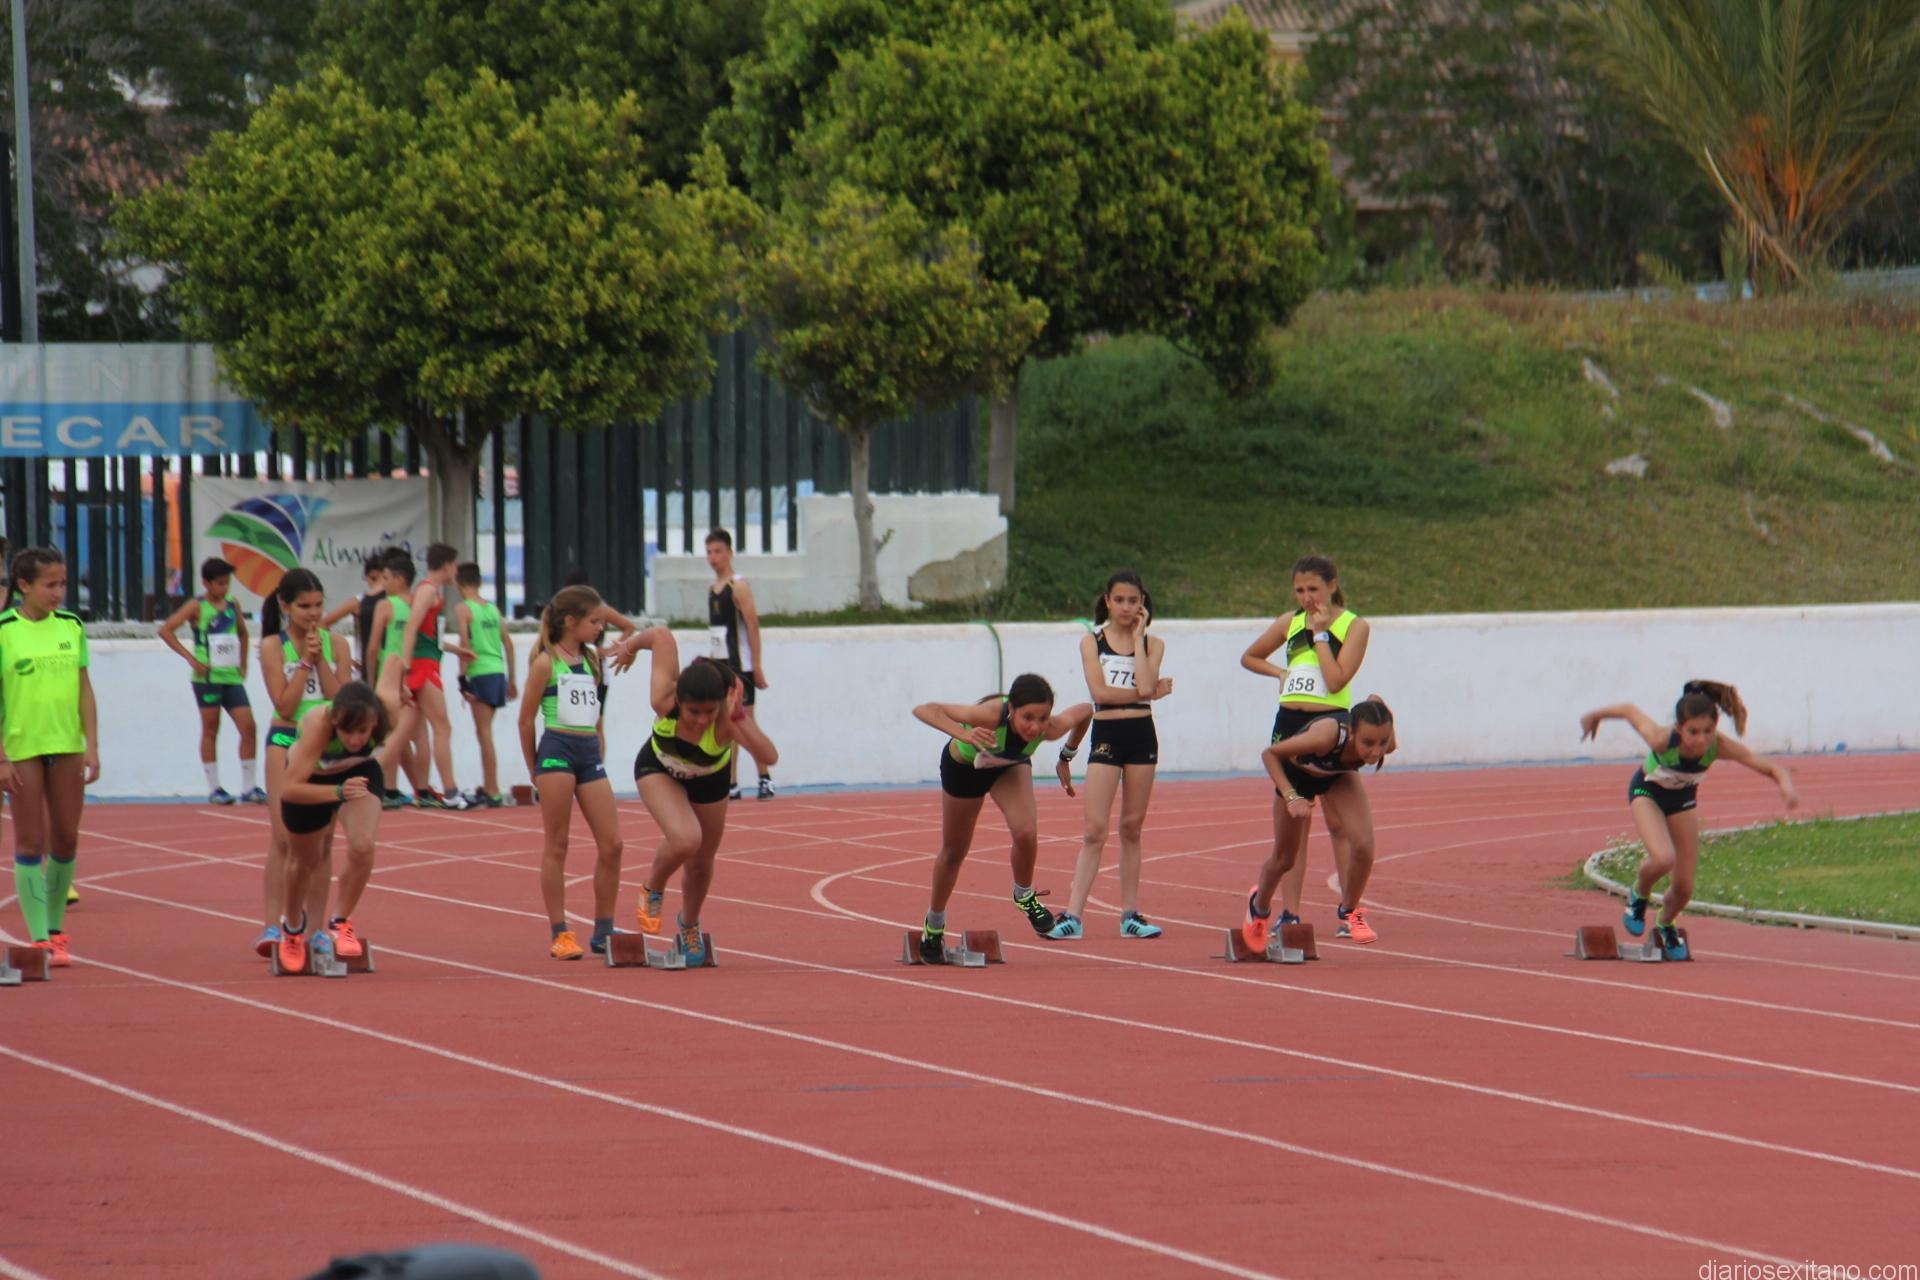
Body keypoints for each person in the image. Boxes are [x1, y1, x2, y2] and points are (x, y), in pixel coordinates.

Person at [1580, 680, 1798, 960]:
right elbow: (1629, 710)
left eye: (1708, 731)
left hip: (1682, 800)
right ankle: (1639, 893)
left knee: (1684, 889)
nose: (1701, 740)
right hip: (1648, 792)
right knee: (1663, 858)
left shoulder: (1719, 746)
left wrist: (1786, 785)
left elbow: (1769, 767)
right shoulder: (1662, 739)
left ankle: (1666, 923)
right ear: (1679, 728)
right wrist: (1594, 716)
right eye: (1693, 732)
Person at [615, 626, 779, 966]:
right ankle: (654, 886)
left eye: (710, 712)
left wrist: (738, 717)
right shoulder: (664, 698)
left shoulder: (727, 721)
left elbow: (769, 755)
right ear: (679, 701)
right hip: (660, 769)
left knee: (703, 860)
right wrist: (629, 647)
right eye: (693, 713)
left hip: (709, 779)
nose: (703, 721)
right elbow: (661, 636)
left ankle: (689, 924)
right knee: (686, 838)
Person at [909, 675, 1094, 961]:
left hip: (1008, 767)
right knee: (954, 851)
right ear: (1012, 711)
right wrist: (962, 733)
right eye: (1027, 718)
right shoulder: (991, 714)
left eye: (1042, 718)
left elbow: (1086, 711)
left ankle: (1024, 895)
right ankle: (934, 925)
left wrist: (1066, 756)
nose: (1035, 727)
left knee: (1026, 833)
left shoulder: (1051, 728)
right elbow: (925, 709)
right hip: (965, 770)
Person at [1239, 554, 1371, 937]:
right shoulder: (1290, 621)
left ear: (1332, 586)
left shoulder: (1354, 626)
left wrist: (1321, 635)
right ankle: (1288, 913)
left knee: (1349, 832)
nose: (1306, 597)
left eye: (1313, 589)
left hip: (1331, 730)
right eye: (1299, 590)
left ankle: (1350, 911)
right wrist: (1279, 672)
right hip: (1290, 729)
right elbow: (1249, 656)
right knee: (1290, 842)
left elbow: (1336, 679)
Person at [1048, 571, 1174, 940]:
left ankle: (1129, 915)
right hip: (1106, 736)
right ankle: (1073, 915)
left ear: (1142, 604)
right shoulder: (1092, 642)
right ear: (1107, 601)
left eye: (1133, 601)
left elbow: (1146, 683)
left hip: (1141, 736)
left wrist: (1138, 640)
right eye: (1119, 600)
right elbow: (1101, 693)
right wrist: (1148, 692)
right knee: (1094, 830)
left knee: (1131, 828)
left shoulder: (1153, 644)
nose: (1126, 607)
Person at [0, 547, 99, 967]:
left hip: (68, 744)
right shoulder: (5, 630)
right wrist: (1, 757)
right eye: (50, 585)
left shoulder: (72, 626)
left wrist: (92, 744)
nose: (58, 592)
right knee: (31, 840)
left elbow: (84, 688)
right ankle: (39, 936)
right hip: (22, 747)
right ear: (24, 585)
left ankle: (57, 931)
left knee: (66, 838)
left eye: (63, 584)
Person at [1243, 695, 1397, 951]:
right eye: (1368, 743)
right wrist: (1291, 797)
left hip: (1337, 777)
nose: (1375, 752)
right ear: (1352, 732)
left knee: (1364, 846)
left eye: (1382, 742)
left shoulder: (1384, 742)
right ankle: (1258, 908)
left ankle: (1349, 911)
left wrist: (1381, 710)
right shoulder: (1327, 735)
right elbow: (1270, 755)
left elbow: (1382, 731)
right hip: (1295, 778)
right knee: (1284, 859)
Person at [517, 585, 623, 960]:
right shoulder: (545, 663)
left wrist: (599, 743)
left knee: (612, 843)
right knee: (558, 843)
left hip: (588, 752)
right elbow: (525, 720)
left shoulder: (592, 660)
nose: (600, 627)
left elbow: (594, 711)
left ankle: (604, 930)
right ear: (570, 622)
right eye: (594, 621)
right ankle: (560, 931)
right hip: (556, 752)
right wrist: (534, 768)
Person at [255, 568, 352, 957]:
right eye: (304, 606)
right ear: (285, 606)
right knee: (283, 837)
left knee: (322, 841)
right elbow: (284, 705)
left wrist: (320, 658)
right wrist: (305, 663)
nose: (313, 614)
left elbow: (341, 701)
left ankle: (315, 929)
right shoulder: (272, 646)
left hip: (325, 745)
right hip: (286, 739)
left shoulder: (338, 644)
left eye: (318, 605)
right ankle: (272, 924)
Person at [274, 681, 404, 973]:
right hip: (310, 780)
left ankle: (340, 920)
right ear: (335, 722)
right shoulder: (318, 725)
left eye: (363, 731)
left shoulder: (387, 713)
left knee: (363, 845)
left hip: (358, 772)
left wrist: (403, 683)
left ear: (374, 721)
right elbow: (289, 789)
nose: (355, 739)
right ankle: (292, 928)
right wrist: (337, 792)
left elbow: (394, 663)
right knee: (303, 863)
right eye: (347, 731)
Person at [157, 556, 263, 804]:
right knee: (211, 729)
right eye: (219, 583)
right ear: (206, 583)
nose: (224, 588)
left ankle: (249, 787)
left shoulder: (232, 604)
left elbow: (243, 633)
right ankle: (215, 788)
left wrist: (244, 663)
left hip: (231, 677)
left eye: (227, 583)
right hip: (207, 678)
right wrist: (191, 658)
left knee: (249, 727)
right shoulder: (197, 606)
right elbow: (166, 630)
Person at [393, 542, 467, 808]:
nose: (456, 570)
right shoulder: (427, 591)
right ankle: (451, 792)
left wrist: (457, 650)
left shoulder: (430, 591)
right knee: (442, 727)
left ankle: (419, 791)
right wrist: (405, 668)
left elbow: (429, 635)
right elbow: (411, 629)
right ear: (446, 566)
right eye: (454, 565)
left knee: (402, 734)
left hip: (424, 663)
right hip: (423, 667)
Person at [704, 529, 773, 800]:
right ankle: (731, 782)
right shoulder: (712, 590)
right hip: (721, 667)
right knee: (725, 724)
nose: (713, 557)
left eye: (718, 551)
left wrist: (757, 666)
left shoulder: (738, 586)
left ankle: (764, 777)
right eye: (709, 552)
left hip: (740, 666)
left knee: (745, 723)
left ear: (730, 553)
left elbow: (752, 626)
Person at [367, 549, 435, 808]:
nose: (382, 584)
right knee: (419, 734)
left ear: (400, 579)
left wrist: (371, 679)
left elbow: (373, 646)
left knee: (389, 732)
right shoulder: (419, 604)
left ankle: (389, 788)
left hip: (389, 672)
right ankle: (422, 790)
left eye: (386, 578)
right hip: (413, 671)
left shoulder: (385, 605)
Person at [452, 562, 515, 808]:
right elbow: (508, 643)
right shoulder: (492, 609)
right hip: (497, 671)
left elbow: (464, 644)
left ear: (459, 583)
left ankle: (492, 789)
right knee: (485, 732)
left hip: (479, 671)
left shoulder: (463, 609)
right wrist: (512, 678)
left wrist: (462, 680)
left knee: (484, 733)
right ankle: (490, 786)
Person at [320, 552, 390, 681]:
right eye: (374, 579)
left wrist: (344, 658)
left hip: (378, 667)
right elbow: (323, 624)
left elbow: (323, 624)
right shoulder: (361, 601)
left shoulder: (362, 601)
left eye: (382, 579)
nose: (378, 585)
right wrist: (346, 658)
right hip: (376, 668)